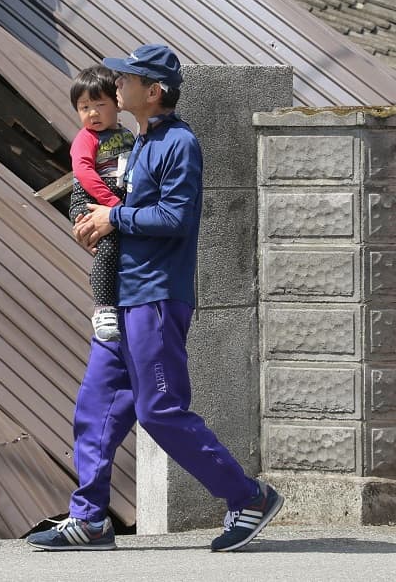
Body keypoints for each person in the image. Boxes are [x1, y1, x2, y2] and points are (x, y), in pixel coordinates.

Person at [27, 43, 284, 553]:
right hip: (123, 294)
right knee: (96, 403)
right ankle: (92, 520)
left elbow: (176, 219)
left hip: (156, 296)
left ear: (154, 90)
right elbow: (112, 204)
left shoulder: (179, 143)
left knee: (159, 409)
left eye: (127, 79)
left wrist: (112, 218)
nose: (116, 85)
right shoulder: (136, 141)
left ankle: (248, 497)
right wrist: (92, 222)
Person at [68, 66, 136, 342]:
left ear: (117, 104)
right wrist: (112, 204)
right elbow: (84, 173)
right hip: (91, 199)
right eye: (84, 107)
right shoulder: (86, 139)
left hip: (118, 202)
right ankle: (103, 308)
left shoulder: (129, 135)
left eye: (99, 104)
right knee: (106, 249)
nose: (92, 113)